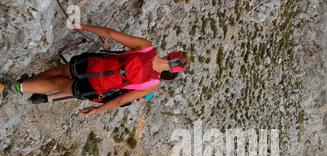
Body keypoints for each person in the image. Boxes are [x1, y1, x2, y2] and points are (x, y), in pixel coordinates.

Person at [0, 23, 190, 116]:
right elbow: (122, 99)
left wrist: (81, 25)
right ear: (173, 72)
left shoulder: (147, 47)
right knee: (57, 84)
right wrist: (97, 110)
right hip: (96, 88)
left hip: (93, 65)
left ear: (172, 54)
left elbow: (111, 34)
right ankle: (16, 88)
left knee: (59, 71)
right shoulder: (152, 85)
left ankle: (25, 83)